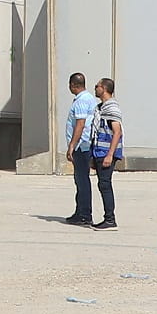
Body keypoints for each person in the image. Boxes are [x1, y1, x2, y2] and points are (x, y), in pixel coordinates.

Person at [64, 72, 97, 227]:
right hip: (83, 145)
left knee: (82, 180)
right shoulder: (88, 98)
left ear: (73, 85)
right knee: (80, 180)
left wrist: (72, 145)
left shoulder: (81, 101)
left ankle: (85, 214)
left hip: (81, 146)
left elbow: (80, 124)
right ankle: (80, 212)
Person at [90, 79, 123, 230]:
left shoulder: (111, 107)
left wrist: (110, 154)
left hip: (106, 152)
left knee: (105, 184)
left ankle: (110, 219)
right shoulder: (101, 107)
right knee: (102, 184)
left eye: (97, 86)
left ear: (103, 88)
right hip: (99, 151)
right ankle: (108, 218)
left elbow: (117, 132)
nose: (95, 88)